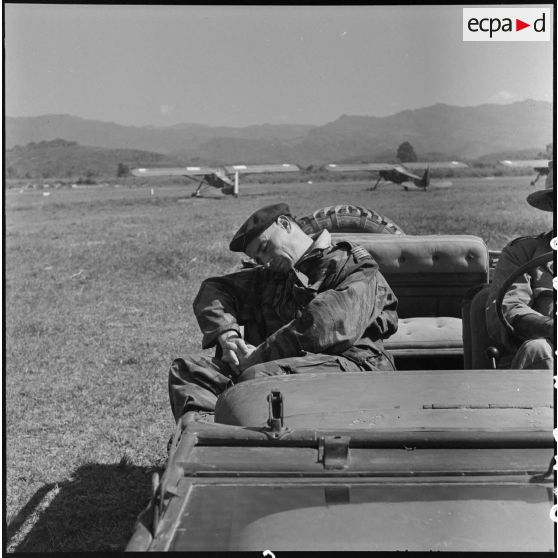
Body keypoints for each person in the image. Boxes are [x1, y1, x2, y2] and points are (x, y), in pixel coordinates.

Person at [169, 203, 399, 421]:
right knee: (188, 370)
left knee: (257, 380)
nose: (266, 261)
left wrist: (257, 358)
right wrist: (229, 337)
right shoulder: (273, 275)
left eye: (265, 248)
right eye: (258, 258)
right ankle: (202, 440)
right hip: (277, 369)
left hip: (352, 370)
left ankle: (245, 444)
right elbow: (214, 290)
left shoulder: (353, 266)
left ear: (285, 224)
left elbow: (323, 325)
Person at [485, 164, 555, 370]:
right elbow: (509, 307)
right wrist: (551, 327)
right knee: (537, 350)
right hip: (550, 347)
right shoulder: (522, 254)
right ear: (552, 203)